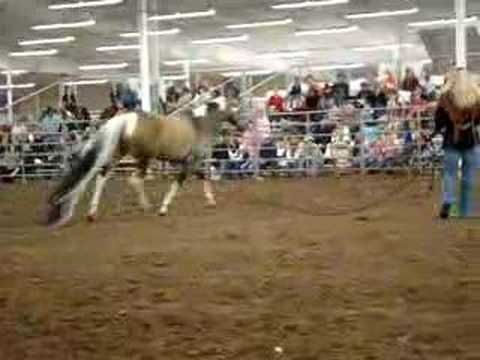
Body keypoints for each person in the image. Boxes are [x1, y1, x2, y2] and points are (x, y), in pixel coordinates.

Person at [433, 69, 479, 218]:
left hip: (451, 141)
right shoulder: (476, 97)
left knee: (449, 174)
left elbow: (439, 121)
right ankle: (465, 212)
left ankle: (449, 200)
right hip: (472, 141)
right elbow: (478, 120)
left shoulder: (445, 98)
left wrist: (439, 128)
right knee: (468, 179)